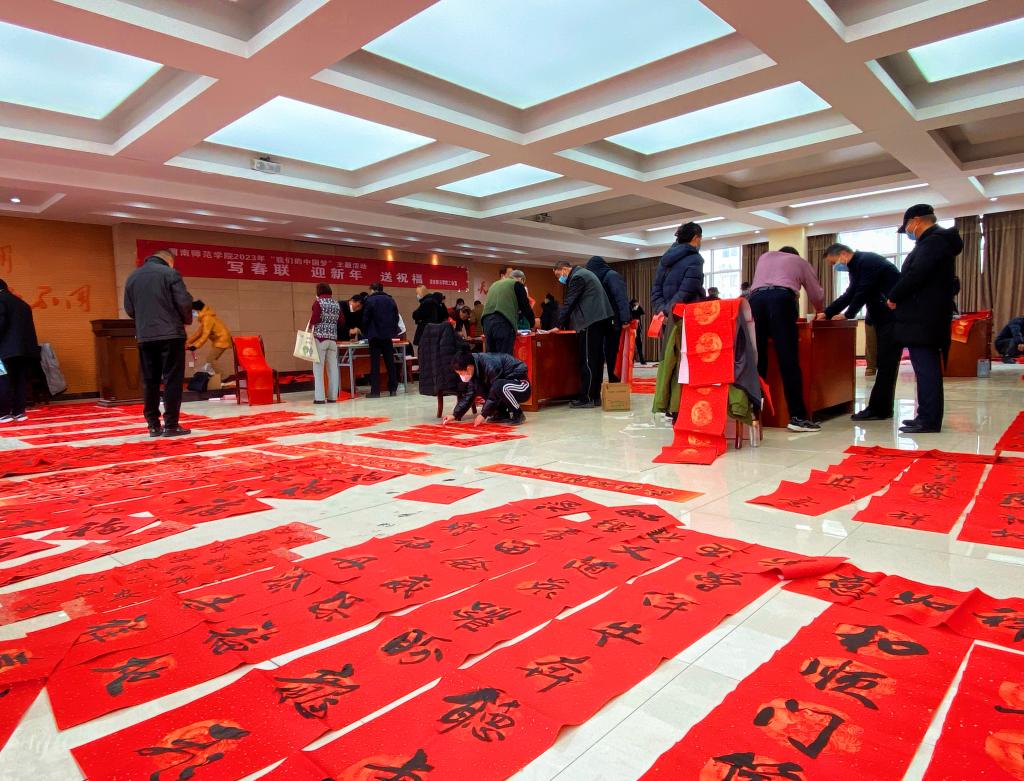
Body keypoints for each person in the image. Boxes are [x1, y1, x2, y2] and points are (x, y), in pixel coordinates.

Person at [887, 204, 962, 434]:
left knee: (927, 368)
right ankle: (925, 415)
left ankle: (929, 420)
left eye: (908, 227)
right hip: (928, 316)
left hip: (924, 318)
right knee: (924, 368)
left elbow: (915, 275)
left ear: (917, 220)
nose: (908, 232)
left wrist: (894, 296)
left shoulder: (933, 242)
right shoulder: (936, 242)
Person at [818, 243, 901, 421]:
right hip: (883, 317)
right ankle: (882, 408)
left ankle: (879, 409)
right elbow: (850, 294)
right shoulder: (857, 266)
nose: (834, 266)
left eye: (833, 262)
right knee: (885, 363)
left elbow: (863, 292)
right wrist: (827, 313)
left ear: (843, 254)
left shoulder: (867, 261)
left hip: (893, 317)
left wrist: (848, 314)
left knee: (886, 364)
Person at [749, 245, 824, 432]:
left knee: (757, 360)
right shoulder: (799, 261)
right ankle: (797, 417)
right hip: (781, 300)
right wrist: (820, 310)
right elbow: (816, 293)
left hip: (754, 302)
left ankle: (753, 414)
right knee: (788, 359)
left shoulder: (764, 257)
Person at [124, 249, 194, 437]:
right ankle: (171, 425)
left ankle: (153, 426)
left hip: (145, 336)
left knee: (150, 380)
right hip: (171, 335)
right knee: (172, 379)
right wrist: (186, 320)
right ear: (169, 261)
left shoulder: (132, 277)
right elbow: (184, 302)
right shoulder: (170, 273)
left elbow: (129, 309)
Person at [552, 260, 614, 408]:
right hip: (598, 321)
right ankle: (595, 397)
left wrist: (558, 325)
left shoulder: (577, 277)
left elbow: (570, 302)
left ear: (564, 269)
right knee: (596, 360)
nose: (560, 279)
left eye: (558, 275)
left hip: (589, 321)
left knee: (588, 361)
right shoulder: (585, 273)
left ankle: (587, 398)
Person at [444, 347, 531, 426]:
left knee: (498, 386)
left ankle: (518, 414)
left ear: (469, 367)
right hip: (503, 387)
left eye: (461, 373)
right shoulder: (474, 369)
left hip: (521, 386)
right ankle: (501, 414)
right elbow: (470, 394)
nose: (461, 376)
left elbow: (495, 390)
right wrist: (455, 414)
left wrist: (483, 414)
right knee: (480, 387)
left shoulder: (490, 363)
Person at [585, 256, 630, 383]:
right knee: (611, 353)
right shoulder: (611, 275)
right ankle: (611, 384)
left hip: (600, 320)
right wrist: (625, 319)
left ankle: (602, 386)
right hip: (611, 320)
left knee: (601, 354)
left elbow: (620, 298)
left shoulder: (595, 277)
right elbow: (621, 297)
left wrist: (625, 319)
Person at [0, 279, 39, 424]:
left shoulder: (1, 300)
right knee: (20, 380)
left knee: (2, 380)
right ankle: (19, 412)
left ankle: (3, 413)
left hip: (4, 350)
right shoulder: (22, 304)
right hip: (24, 350)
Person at [650, 221, 706, 320]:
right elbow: (687, 291)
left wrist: (662, 310)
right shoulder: (695, 259)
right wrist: (668, 311)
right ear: (695, 238)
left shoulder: (665, 258)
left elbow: (656, 288)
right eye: (700, 238)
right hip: (686, 315)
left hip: (665, 317)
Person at [481, 269, 533, 354]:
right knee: (504, 356)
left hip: (486, 323)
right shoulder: (517, 284)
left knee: (490, 356)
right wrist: (532, 323)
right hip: (502, 323)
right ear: (522, 279)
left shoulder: (494, 284)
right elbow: (525, 306)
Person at [361, 282, 400, 397]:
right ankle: (393, 389)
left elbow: (365, 318)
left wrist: (366, 331)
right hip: (387, 336)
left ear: (373, 289)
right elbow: (396, 317)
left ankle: (375, 391)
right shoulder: (391, 300)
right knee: (390, 362)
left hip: (374, 336)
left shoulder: (370, 301)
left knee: (375, 364)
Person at [309, 283, 340, 404]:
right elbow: (341, 320)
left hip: (320, 339)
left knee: (318, 369)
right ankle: (332, 397)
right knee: (333, 369)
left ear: (318, 291)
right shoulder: (336, 304)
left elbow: (315, 318)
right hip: (333, 340)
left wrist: (311, 326)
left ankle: (320, 398)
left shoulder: (318, 303)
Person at [186, 299, 233, 378]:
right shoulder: (205, 318)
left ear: (197, 310)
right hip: (220, 340)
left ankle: (224, 377)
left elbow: (205, 335)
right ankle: (220, 377)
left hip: (222, 340)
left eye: (193, 312)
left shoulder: (207, 318)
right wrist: (187, 342)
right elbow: (198, 334)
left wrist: (195, 346)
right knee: (211, 360)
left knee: (210, 359)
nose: (193, 314)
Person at [629, 298, 646, 365]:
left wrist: (638, 306)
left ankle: (642, 360)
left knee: (639, 345)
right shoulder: (629, 308)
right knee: (631, 346)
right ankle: (631, 360)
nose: (637, 304)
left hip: (637, 329)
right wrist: (633, 308)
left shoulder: (638, 308)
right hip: (631, 328)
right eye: (636, 303)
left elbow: (643, 312)